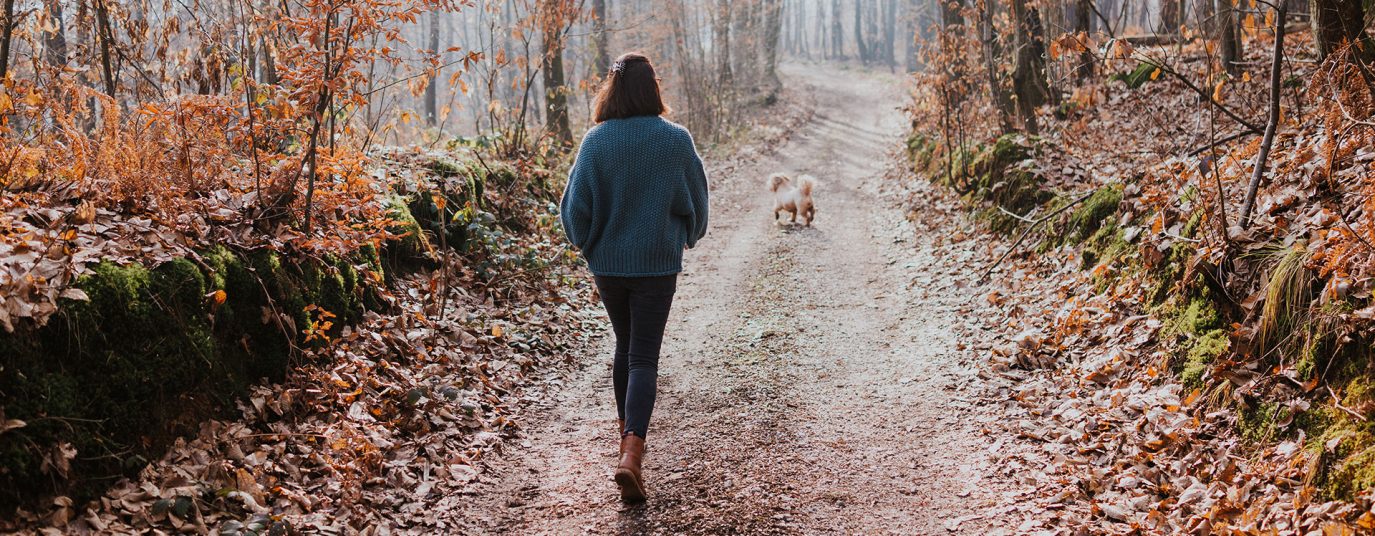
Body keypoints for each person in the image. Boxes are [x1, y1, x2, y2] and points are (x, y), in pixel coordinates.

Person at [559, 52, 709, 503]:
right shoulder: (675, 140)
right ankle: (632, 453)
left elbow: (574, 210)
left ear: (613, 89)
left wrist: (585, 243)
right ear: (653, 89)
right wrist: (689, 234)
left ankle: (627, 439)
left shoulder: (595, 141)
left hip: (608, 265)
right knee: (643, 356)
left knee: (624, 347)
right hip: (657, 265)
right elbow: (697, 203)